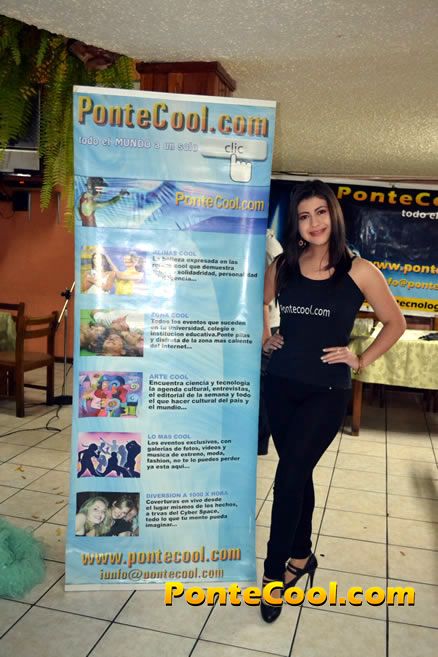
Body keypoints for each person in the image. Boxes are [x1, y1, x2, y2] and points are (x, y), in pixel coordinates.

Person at [260, 180, 405, 622]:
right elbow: (261, 303)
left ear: (333, 216)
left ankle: (272, 576)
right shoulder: (283, 264)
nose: (314, 223)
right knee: (297, 472)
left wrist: (360, 359)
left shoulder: (360, 270)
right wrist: (266, 336)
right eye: (304, 216)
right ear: (297, 223)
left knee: (289, 476)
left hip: (326, 391)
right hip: (281, 384)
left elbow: (395, 322)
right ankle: (302, 556)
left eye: (320, 212)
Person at [258, 228, 283, 455]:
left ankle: (259, 443)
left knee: (263, 388)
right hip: (262, 324)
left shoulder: (267, 246)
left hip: (267, 325)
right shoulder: (264, 243)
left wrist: (265, 335)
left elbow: (267, 297)